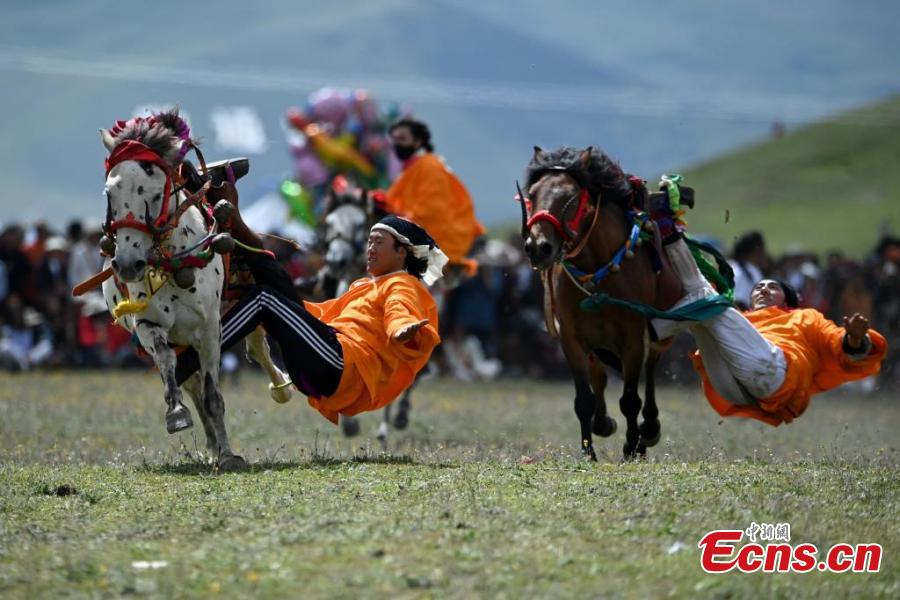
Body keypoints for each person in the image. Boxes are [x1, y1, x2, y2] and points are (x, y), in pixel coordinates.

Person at [176, 191, 445, 425]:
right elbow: (320, 315)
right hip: (325, 360)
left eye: (379, 242)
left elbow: (400, 309)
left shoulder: (403, 283)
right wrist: (286, 300)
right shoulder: (364, 285)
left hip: (342, 366)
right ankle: (232, 222)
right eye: (370, 242)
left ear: (401, 252)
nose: (370, 249)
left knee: (264, 299)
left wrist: (400, 328)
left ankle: (183, 366)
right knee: (271, 278)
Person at [662, 234, 887, 425]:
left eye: (773, 287)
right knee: (699, 295)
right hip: (731, 387)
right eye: (759, 287)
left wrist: (855, 339)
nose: (764, 290)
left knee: (710, 303)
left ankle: (651, 328)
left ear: (787, 298)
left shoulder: (806, 317)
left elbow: (838, 341)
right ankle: (670, 235)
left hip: (778, 375)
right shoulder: (743, 318)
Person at [380, 117, 484, 273]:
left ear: (418, 141)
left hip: (438, 243)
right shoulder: (413, 167)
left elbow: (431, 212)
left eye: (402, 139)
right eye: (394, 140)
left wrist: (397, 222)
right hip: (413, 239)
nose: (397, 144)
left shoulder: (429, 166)